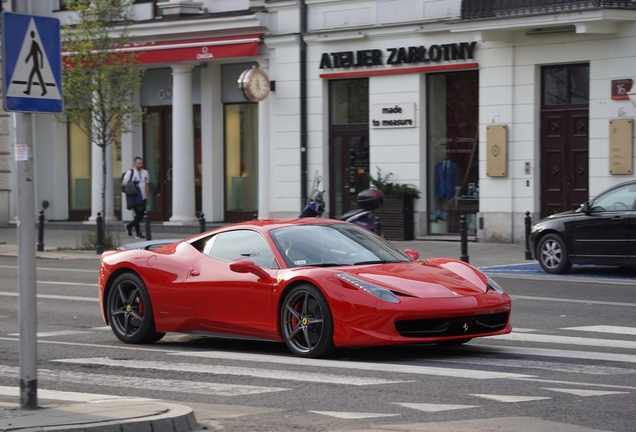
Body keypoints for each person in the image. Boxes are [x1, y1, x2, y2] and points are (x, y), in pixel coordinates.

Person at [122, 157, 149, 239]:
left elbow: (147, 183)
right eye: (139, 163)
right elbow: (123, 183)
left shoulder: (145, 172)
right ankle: (138, 232)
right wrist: (133, 184)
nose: (141, 165)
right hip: (134, 196)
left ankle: (129, 226)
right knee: (137, 215)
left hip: (142, 197)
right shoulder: (130, 172)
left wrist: (146, 193)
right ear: (135, 164)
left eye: (142, 163)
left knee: (140, 216)